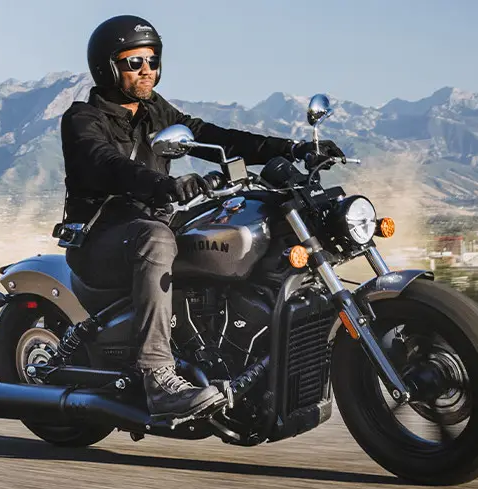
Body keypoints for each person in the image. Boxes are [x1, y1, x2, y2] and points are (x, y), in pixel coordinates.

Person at [60, 15, 348, 419]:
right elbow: (106, 163)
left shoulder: (153, 110)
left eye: (153, 59)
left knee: (245, 224)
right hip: (101, 238)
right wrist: (161, 185)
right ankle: (157, 377)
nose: (147, 70)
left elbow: (215, 137)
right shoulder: (82, 119)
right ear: (107, 67)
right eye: (134, 62)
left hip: (155, 223)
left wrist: (294, 149)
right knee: (155, 239)